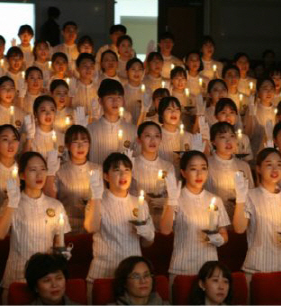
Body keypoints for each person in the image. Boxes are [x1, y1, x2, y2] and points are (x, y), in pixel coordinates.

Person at [0, 151, 71, 299]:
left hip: (46, 280)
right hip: (17, 275)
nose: (39, 175)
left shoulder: (55, 205)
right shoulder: (11, 203)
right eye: (33, 170)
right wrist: (12, 203)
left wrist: (63, 253)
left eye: (43, 169)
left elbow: (59, 243)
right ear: (22, 175)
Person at [85, 153, 155, 297]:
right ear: (106, 176)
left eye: (127, 170)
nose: (123, 174)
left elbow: (147, 243)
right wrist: (96, 197)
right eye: (117, 170)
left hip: (133, 278)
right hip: (103, 273)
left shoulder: (139, 202)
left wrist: (147, 233)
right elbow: (91, 227)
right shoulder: (97, 201)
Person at [160, 151, 229, 286]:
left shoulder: (215, 200)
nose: (199, 174)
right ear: (184, 173)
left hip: (210, 269)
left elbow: (224, 234)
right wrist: (172, 201)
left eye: (203, 168)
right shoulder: (175, 198)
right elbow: (165, 230)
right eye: (193, 169)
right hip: (182, 266)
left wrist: (219, 239)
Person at [233, 148, 281, 276]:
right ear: (258, 168)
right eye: (269, 165)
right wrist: (240, 198)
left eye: (279, 165)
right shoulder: (250, 195)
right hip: (257, 266)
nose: (275, 169)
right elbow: (239, 228)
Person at [131, 122, 175, 229]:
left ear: (161, 139)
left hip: (162, 220)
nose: (152, 140)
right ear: (139, 139)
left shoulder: (168, 166)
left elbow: (174, 196)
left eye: (156, 136)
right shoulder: (132, 164)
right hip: (138, 221)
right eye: (147, 136)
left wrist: (166, 202)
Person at [87, 79, 137, 165]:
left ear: (123, 101)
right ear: (100, 101)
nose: (115, 102)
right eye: (110, 98)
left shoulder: (132, 130)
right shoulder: (90, 129)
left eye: (119, 98)